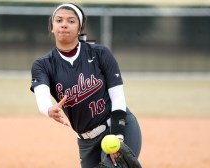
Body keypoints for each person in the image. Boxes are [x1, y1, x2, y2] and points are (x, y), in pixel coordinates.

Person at [30, 3, 142, 168]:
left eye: (71, 21)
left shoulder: (100, 53)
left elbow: (118, 98)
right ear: (52, 27)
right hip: (85, 141)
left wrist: (118, 137)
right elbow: (41, 94)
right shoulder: (43, 64)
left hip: (117, 127)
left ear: (80, 28)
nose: (64, 24)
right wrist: (48, 109)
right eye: (59, 20)